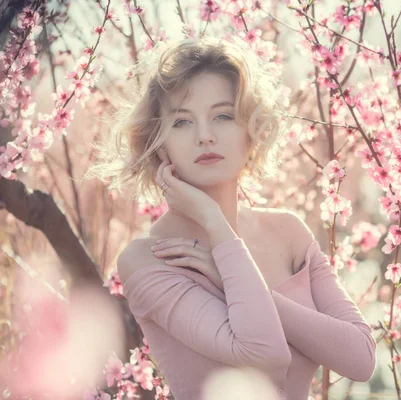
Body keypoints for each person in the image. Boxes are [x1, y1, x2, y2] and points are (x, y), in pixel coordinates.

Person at [84, 35, 376, 400]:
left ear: (251, 132)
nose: (205, 136)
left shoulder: (287, 232)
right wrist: (214, 221)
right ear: (158, 144)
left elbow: (361, 360)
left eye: (222, 116)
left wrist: (228, 273)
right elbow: (265, 356)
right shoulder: (148, 259)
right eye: (182, 122)